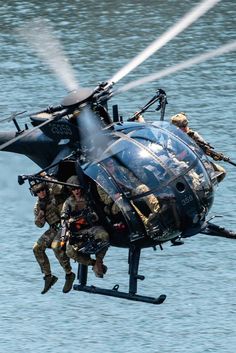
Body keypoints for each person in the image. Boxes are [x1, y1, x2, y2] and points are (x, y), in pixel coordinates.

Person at [32, 180, 75, 294]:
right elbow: (39, 225)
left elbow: (60, 188)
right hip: (53, 228)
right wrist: (40, 215)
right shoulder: (38, 206)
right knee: (37, 248)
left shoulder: (53, 193)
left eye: (42, 189)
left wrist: (46, 178)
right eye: (38, 191)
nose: (41, 192)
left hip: (64, 225)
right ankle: (48, 276)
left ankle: (69, 274)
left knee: (56, 246)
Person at [61, 175, 109, 278]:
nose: (76, 191)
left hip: (91, 227)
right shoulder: (68, 202)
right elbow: (64, 220)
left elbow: (98, 213)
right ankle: (93, 263)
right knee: (69, 251)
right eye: (73, 189)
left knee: (104, 235)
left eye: (77, 188)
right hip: (77, 231)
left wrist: (90, 217)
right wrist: (64, 235)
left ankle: (99, 261)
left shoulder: (88, 198)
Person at [170, 112, 226, 183]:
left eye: (186, 125)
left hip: (197, 162)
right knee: (195, 180)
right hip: (182, 165)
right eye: (182, 127)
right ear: (176, 128)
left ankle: (207, 190)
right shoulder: (171, 139)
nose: (185, 128)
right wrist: (187, 152)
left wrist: (213, 154)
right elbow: (172, 159)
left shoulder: (192, 134)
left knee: (221, 172)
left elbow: (205, 147)